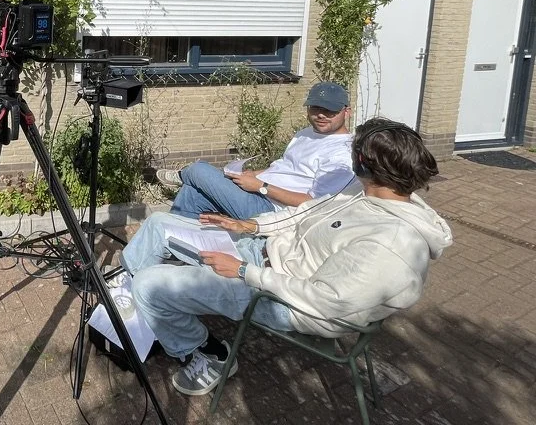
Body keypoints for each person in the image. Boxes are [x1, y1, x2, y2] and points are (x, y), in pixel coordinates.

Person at [122, 117, 452, 397]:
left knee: (150, 285)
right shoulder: (360, 191)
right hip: (264, 254)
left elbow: (326, 305)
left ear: (365, 163)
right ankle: (135, 312)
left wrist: (244, 272)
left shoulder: (392, 242)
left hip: (280, 299)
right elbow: (303, 212)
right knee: (157, 225)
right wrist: (250, 225)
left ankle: (208, 356)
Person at [158, 82, 355, 220]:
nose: (320, 115)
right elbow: (285, 167)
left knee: (200, 170)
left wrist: (261, 186)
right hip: (257, 191)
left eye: (330, 110)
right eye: (315, 108)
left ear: (347, 111)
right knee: (192, 193)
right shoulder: (306, 133)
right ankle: (173, 245)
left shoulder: (342, 154)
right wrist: (254, 174)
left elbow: (314, 203)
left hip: (271, 209)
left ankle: (183, 174)